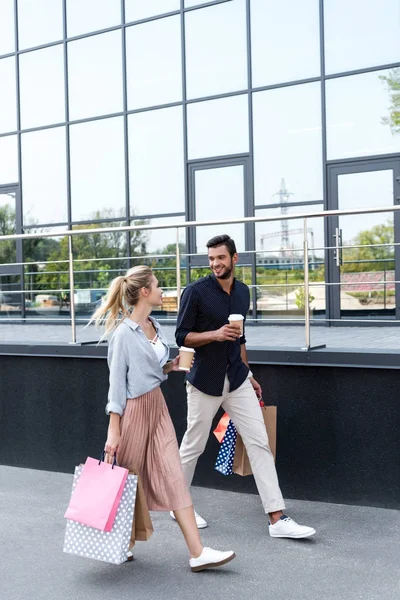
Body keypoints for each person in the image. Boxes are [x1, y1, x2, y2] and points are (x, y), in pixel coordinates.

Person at [90, 265, 235, 572]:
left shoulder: (154, 326)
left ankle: (197, 552)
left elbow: (151, 371)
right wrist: (114, 428)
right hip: (133, 411)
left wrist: (171, 367)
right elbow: (116, 385)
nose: (161, 290)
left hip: (157, 406)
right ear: (144, 292)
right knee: (128, 480)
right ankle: (121, 542)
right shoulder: (123, 335)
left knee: (173, 473)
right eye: (157, 285)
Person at [172, 235, 316, 539]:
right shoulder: (195, 293)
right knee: (193, 446)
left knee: (259, 442)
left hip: (236, 379)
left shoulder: (243, 292)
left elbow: (241, 338)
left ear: (234, 259)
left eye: (220, 258)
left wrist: (248, 373)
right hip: (204, 382)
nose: (215, 264)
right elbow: (182, 336)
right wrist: (214, 334)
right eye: (211, 259)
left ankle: (277, 518)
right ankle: (178, 504)